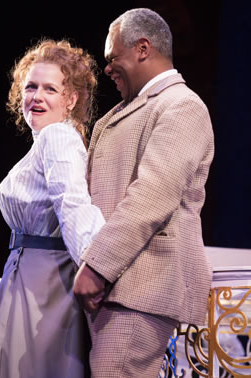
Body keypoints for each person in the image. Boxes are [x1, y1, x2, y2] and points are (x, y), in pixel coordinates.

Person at [73, 8, 214, 378]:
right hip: (113, 287)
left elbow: (151, 197)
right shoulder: (128, 111)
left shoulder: (182, 106)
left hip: (140, 286)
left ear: (142, 48)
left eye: (111, 58)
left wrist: (98, 266)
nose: (106, 68)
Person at [0, 38, 105, 378]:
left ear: (71, 99)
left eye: (50, 89)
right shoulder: (45, 142)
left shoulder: (58, 138)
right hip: (29, 275)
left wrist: (96, 268)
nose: (36, 97)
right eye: (31, 87)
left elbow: (73, 203)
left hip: (45, 284)